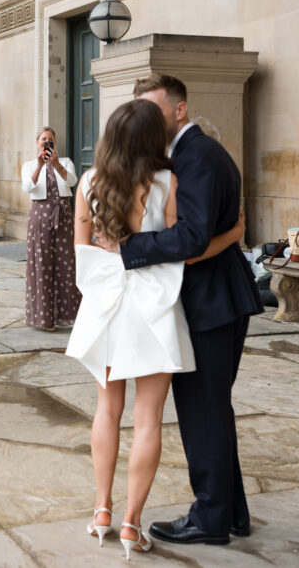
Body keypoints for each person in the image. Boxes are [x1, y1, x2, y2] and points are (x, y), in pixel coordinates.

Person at [68, 99, 244, 559]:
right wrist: (228, 237)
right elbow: (183, 251)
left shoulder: (88, 182)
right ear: (151, 139)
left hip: (106, 307)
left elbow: (82, 256)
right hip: (152, 311)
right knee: (148, 421)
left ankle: (101, 511)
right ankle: (131, 524)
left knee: (107, 410)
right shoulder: (167, 182)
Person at [114, 73, 263, 546]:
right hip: (217, 299)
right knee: (212, 409)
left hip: (211, 303)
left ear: (179, 110)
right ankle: (231, 512)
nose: (146, 120)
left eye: (153, 110)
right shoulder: (190, 155)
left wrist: (129, 246)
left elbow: (193, 238)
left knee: (202, 412)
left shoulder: (196, 156)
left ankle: (210, 518)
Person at [21, 127, 81, 330]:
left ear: (55, 143)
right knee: (42, 262)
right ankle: (44, 318)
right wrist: (39, 166)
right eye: (43, 139)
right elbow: (28, 187)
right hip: (40, 215)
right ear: (37, 142)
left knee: (67, 263)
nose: (47, 141)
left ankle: (67, 315)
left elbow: (72, 181)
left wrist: (57, 166)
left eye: (50, 139)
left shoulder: (65, 162)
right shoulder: (29, 165)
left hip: (63, 214)